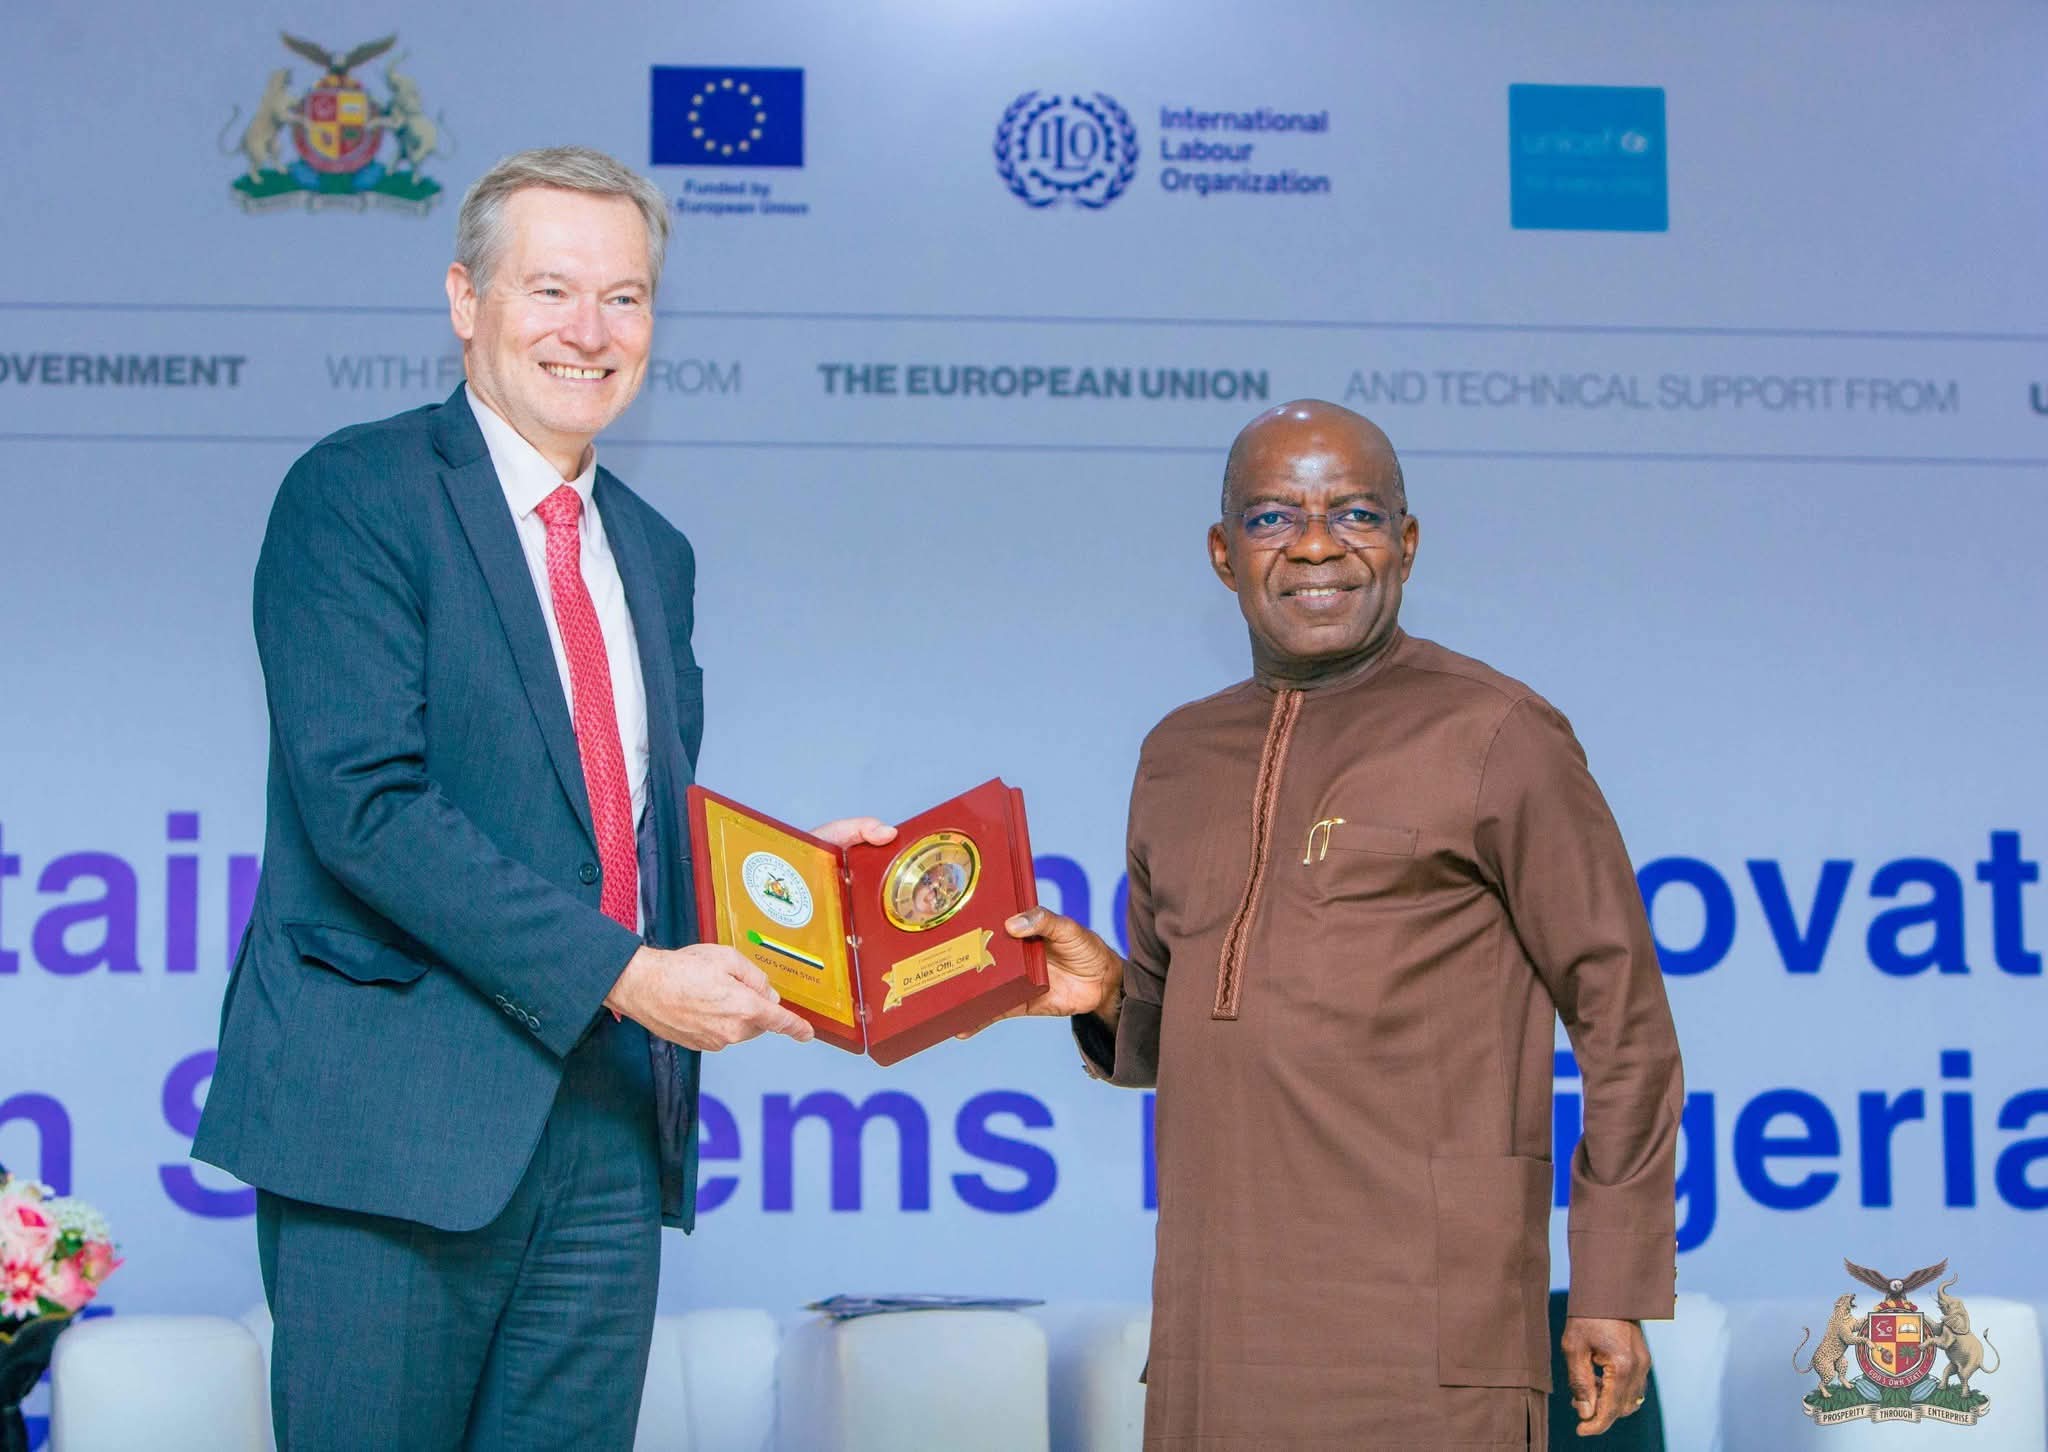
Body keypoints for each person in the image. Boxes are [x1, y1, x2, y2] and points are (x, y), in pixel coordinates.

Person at [192, 146, 894, 1451]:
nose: (590, 330)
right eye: (552, 289)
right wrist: (629, 975)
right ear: (467, 300)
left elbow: (611, 833)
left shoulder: (652, 551)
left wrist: (793, 885)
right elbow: (366, 808)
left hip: (606, 1137)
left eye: (624, 298)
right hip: (393, 1132)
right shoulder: (357, 495)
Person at [992, 400, 1683, 1449]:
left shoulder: (1497, 733)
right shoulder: (1177, 757)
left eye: (1354, 513)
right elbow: (1197, 1028)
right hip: (1217, 1329)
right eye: (1273, 517)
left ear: (1406, 542)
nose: (1316, 545)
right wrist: (1107, 997)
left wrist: (1612, 1281)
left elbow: (1624, 1023)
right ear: (1223, 554)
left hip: (1430, 1329)